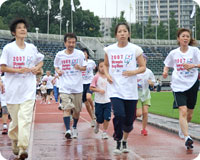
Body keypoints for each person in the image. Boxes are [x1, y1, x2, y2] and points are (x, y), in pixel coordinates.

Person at [0, 18, 44, 159]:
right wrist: (18, 70)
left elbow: (40, 61)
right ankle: (14, 140)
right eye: (19, 27)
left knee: (25, 119)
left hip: (28, 90)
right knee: (16, 122)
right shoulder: (8, 48)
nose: (23, 29)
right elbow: (2, 67)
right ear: (14, 32)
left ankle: (22, 148)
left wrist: (37, 68)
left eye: (24, 27)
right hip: (13, 91)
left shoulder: (31, 48)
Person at [104, 22, 146, 154]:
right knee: (119, 115)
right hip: (115, 89)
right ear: (116, 34)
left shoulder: (135, 49)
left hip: (131, 91)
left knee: (129, 119)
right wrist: (107, 75)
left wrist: (132, 72)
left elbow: (143, 67)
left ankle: (125, 141)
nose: (122, 33)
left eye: (125, 31)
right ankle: (118, 141)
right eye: (119, 31)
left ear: (129, 34)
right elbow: (105, 65)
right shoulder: (109, 49)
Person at [162, 28, 200, 149]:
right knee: (182, 111)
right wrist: (165, 72)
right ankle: (187, 137)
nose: (185, 38)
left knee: (189, 114)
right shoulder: (174, 53)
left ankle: (182, 127)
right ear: (178, 38)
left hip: (192, 83)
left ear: (190, 39)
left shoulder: (194, 51)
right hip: (178, 84)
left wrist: (192, 65)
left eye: (187, 36)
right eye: (183, 36)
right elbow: (167, 64)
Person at [54, 33, 87, 139]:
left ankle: (74, 127)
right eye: (69, 42)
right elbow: (56, 66)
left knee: (77, 112)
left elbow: (84, 68)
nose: (71, 44)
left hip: (77, 87)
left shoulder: (80, 54)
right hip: (65, 87)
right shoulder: (59, 55)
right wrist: (58, 70)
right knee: (67, 109)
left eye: (73, 42)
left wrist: (79, 68)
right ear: (65, 43)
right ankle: (67, 130)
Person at [90, 59, 111, 139]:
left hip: (107, 101)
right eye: (101, 66)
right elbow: (91, 88)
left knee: (107, 117)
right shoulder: (96, 77)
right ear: (98, 67)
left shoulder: (109, 76)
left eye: (105, 66)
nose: (103, 68)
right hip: (99, 101)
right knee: (100, 119)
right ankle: (97, 124)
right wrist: (99, 90)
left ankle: (104, 132)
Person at [136, 55, 155, 136]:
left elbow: (153, 82)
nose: (142, 61)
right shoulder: (135, 71)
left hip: (146, 95)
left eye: (144, 60)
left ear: (146, 61)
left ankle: (144, 129)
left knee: (145, 112)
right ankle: (131, 113)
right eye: (140, 60)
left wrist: (151, 83)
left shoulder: (149, 72)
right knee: (139, 114)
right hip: (137, 96)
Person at [81, 48, 96, 127]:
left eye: (85, 53)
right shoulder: (79, 63)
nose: (84, 55)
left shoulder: (91, 62)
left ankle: (93, 110)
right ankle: (92, 119)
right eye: (82, 54)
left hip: (90, 82)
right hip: (82, 84)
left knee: (89, 97)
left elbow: (95, 68)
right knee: (86, 103)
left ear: (87, 55)